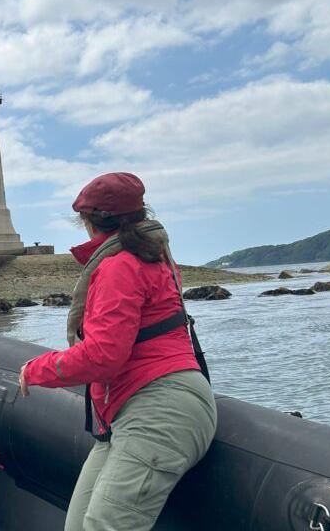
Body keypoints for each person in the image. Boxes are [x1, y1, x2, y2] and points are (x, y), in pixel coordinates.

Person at [19, 172, 217, 531]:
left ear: (90, 222)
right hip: (139, 410)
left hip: (158, 408)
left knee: (104, 524)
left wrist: (36, 369)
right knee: (80, 525)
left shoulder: (119, 266)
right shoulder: (152, 257)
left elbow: (103, 355)